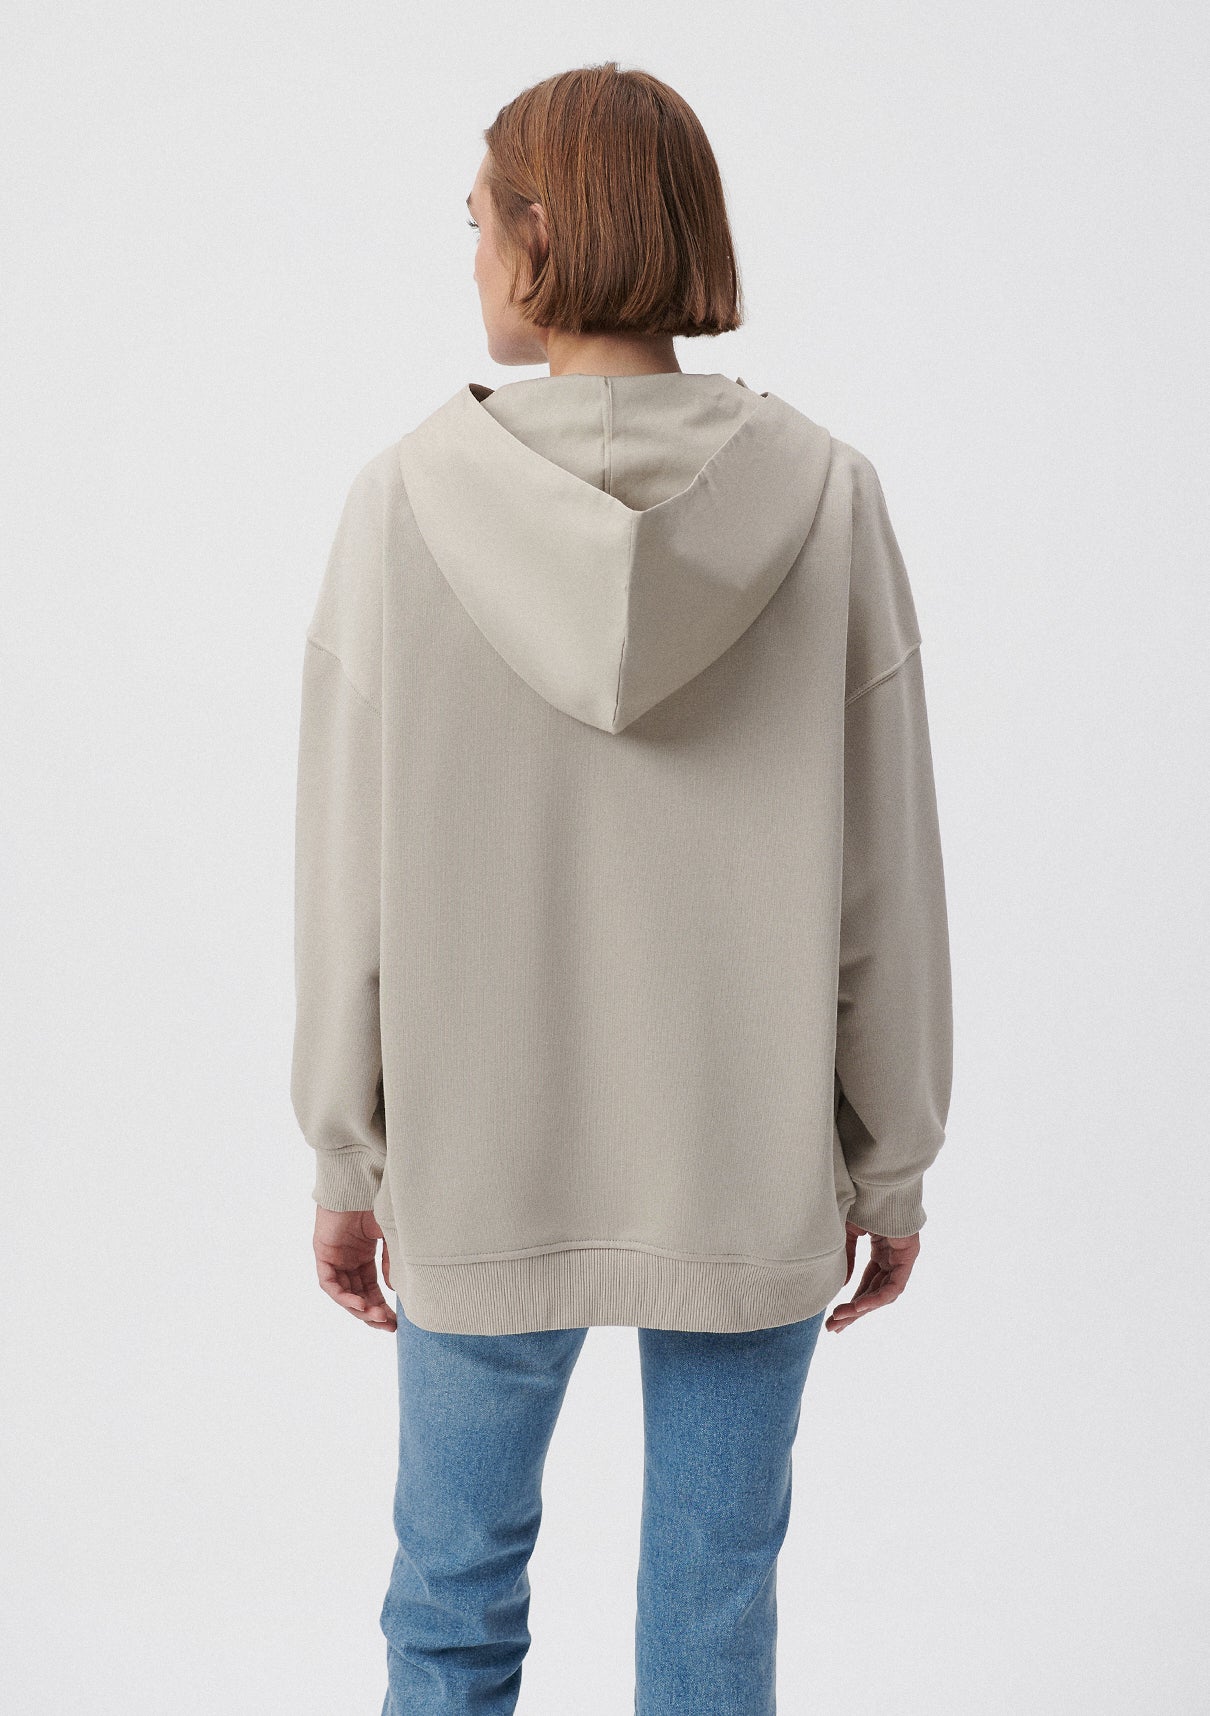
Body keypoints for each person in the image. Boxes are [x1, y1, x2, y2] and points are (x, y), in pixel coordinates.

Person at [290, 60, 953, 1716]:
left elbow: (345, 877)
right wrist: (888, 1158)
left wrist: (345, 1150)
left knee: (449, 1600)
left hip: (475, 1155)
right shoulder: (825, 497)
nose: (468, 260)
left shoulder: (403, 502)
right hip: (743, 1160)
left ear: (538, 231)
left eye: (472, 224)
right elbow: (885, 876)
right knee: (715, 1604)